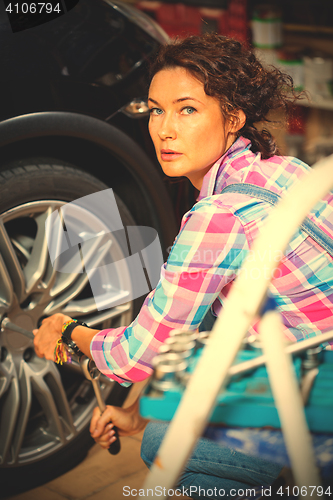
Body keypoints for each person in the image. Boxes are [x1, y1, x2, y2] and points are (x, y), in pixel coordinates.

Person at [34, 34, 333, 498]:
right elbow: (217, 328)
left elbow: (135, 356)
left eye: (187, 109)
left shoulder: (218, 218)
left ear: (232, 116)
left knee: (165, 444)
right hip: (310, 357)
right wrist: (142, 410)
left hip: (320, 398)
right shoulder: (287, 168)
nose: (165, 129)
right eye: (156, 109)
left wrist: (70, 337)